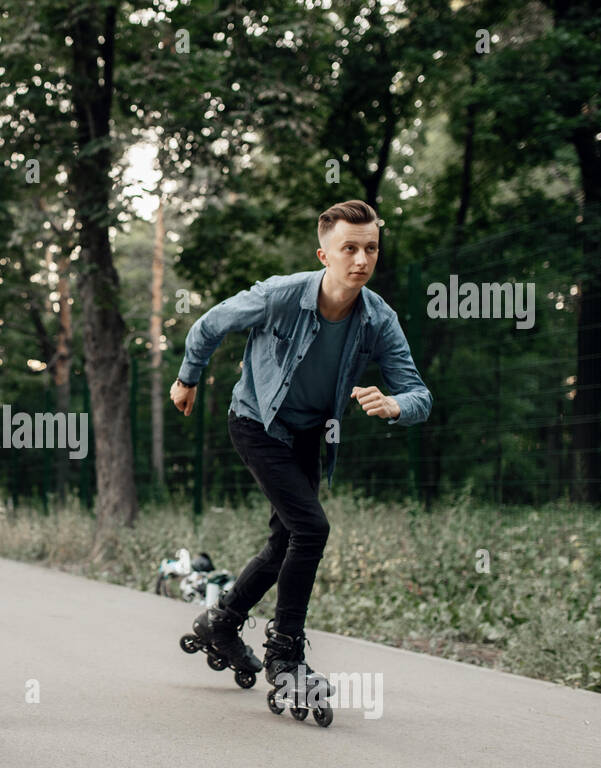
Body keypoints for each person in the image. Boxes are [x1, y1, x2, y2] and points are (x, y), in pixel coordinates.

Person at [171, 199, 432, 720]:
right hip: (257, 422)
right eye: (349, 249)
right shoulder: (280, 296)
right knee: (310, 528)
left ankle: (223, 621)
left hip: (311, 434)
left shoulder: (378, 319)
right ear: (324, 253)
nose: (361, 260)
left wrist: (395, 404)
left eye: (371, 248)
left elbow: (419, 394)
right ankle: (285, 653)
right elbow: (208, 325)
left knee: (286, 538)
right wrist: (188, 379)